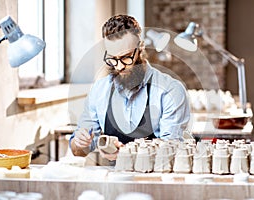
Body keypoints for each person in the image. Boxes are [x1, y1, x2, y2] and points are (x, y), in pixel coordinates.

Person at [69, 14, 190, 161]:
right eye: (113, 59)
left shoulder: (170, 90)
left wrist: (126, 154)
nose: (119, 66)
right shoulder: (99, 90)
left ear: (141, 48)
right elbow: (79, 151)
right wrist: (80, 142)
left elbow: (172, 151)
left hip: (157, 178)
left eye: (126, 57)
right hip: (116, 179)